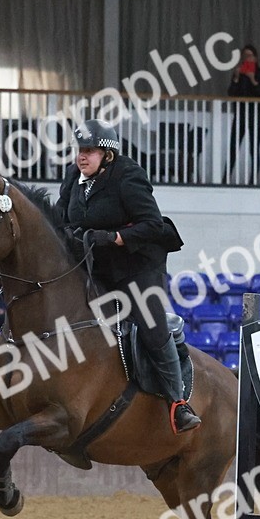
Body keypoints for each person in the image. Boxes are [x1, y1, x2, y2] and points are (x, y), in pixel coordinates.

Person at [56, 119, 198, 433]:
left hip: (138, 265)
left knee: (149, 326)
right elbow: (60, 218)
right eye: (80, 150)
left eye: (89, 151)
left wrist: (116, 237)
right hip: (99, 267)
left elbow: (152, 224)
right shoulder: (73, 178)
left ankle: (178, 403)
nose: (82, 156)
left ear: (106, 154)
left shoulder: (128, 175)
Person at [224, 44, 260, 185]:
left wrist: (253, 79)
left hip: (256, 116)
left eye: (249, 56)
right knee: (233, 147)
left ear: (255, 58)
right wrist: (236, 78)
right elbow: (232, 93)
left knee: (253, 148)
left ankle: (253, 180)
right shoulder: (240, 73)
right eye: (244, 56)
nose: (247, 59)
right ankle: (225, 178)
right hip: (241, 115)